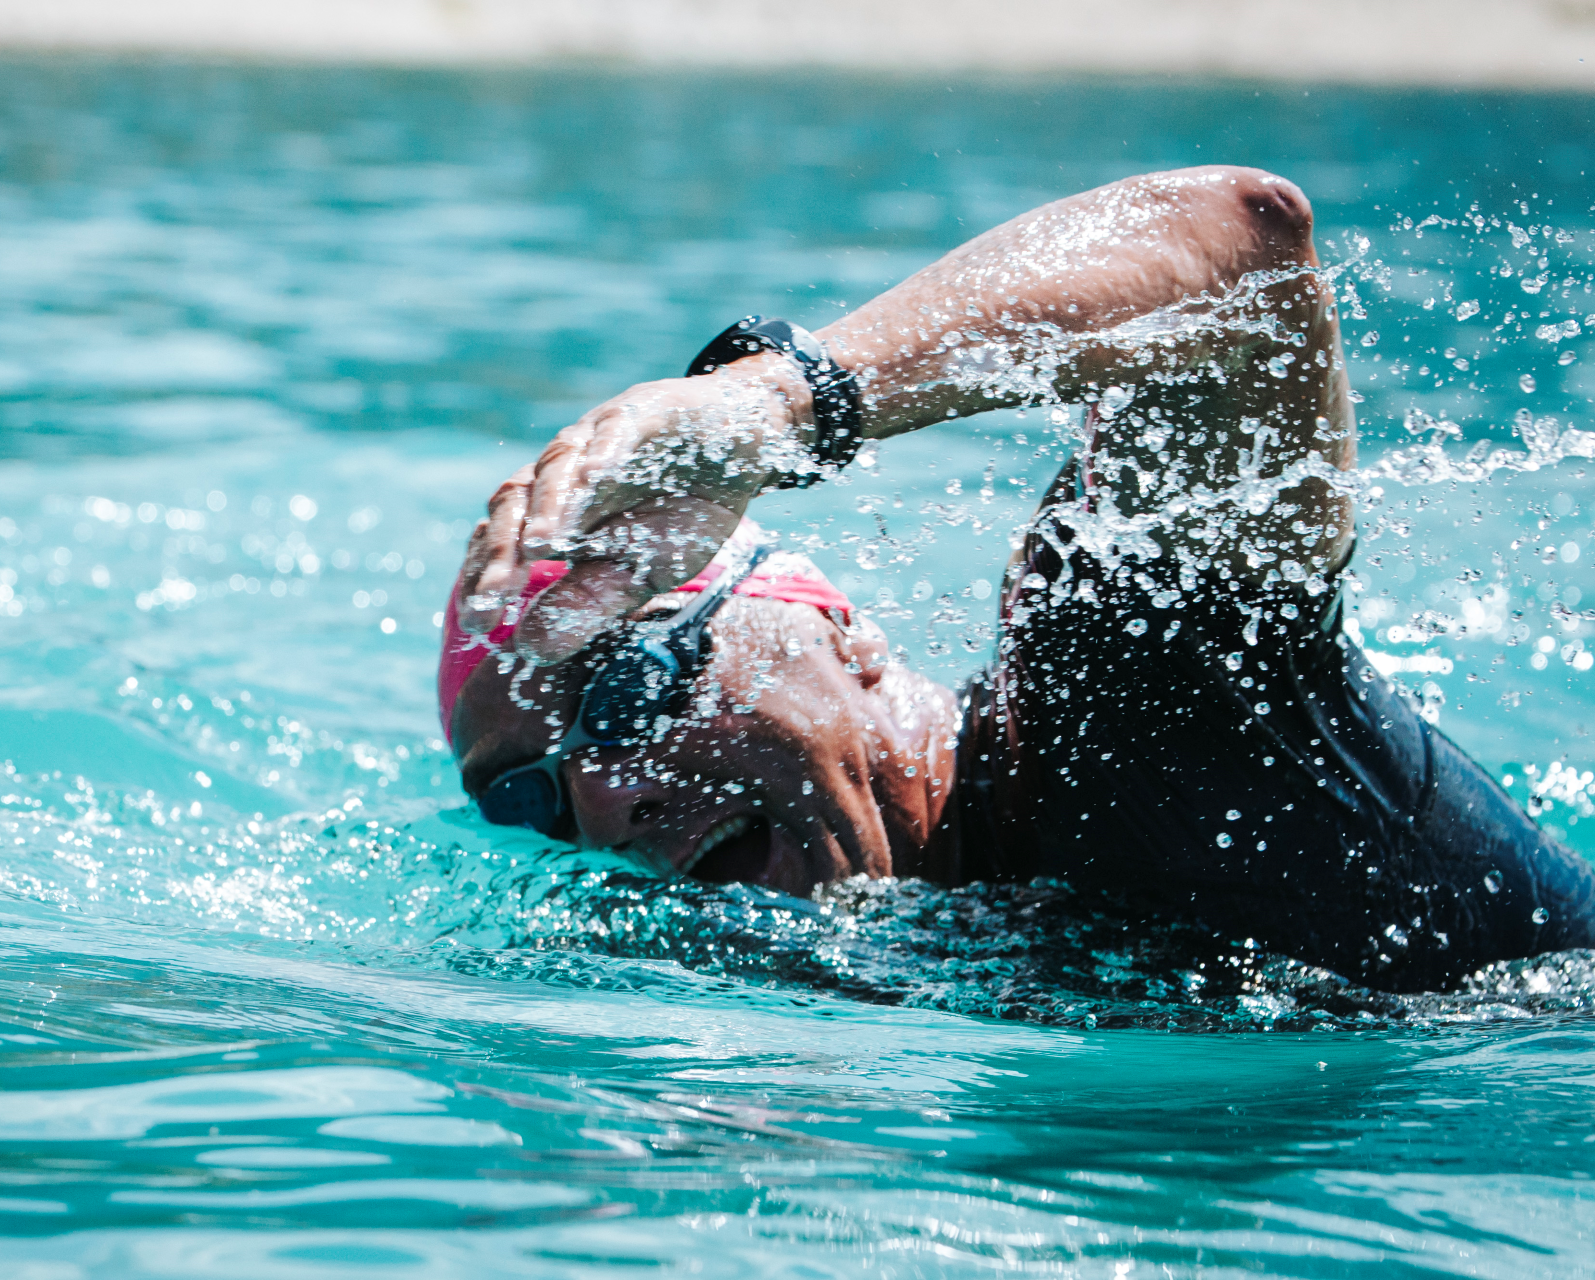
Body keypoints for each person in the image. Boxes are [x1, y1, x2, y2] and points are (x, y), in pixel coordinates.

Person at [438, 166, 1595, 993]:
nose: (604, 803)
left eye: (627, 685)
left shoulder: (1125, 693)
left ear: (838, 626)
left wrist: (781, 407)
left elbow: (1244, 254)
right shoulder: (858, 963)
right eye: (526, 792)